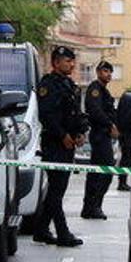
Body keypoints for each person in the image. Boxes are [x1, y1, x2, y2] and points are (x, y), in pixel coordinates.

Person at [33, 46, 87, 247]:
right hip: (54, 144)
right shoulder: (48, 85)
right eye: (67, 61)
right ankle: (63, 233)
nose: (71, 64)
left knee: (59, 189)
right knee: (56, 190)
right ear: (55, 63)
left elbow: (76, 113)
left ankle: (40, 229)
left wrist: (81, 132)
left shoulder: (70, 85)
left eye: (73, 61)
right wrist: (62, 135)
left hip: (68, 144)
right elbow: (46, 115)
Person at [81, 61, 119, 219]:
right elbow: (95, 111)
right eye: (105, 71)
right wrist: (110, 125)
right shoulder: (95, 89)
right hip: (99, 134)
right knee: (104, 171)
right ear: (97, 72)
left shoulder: (104, 91)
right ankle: (93, 206)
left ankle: (91, 207)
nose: (108, 74)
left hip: (103, 135)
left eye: (110, 71)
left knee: (98, 173)